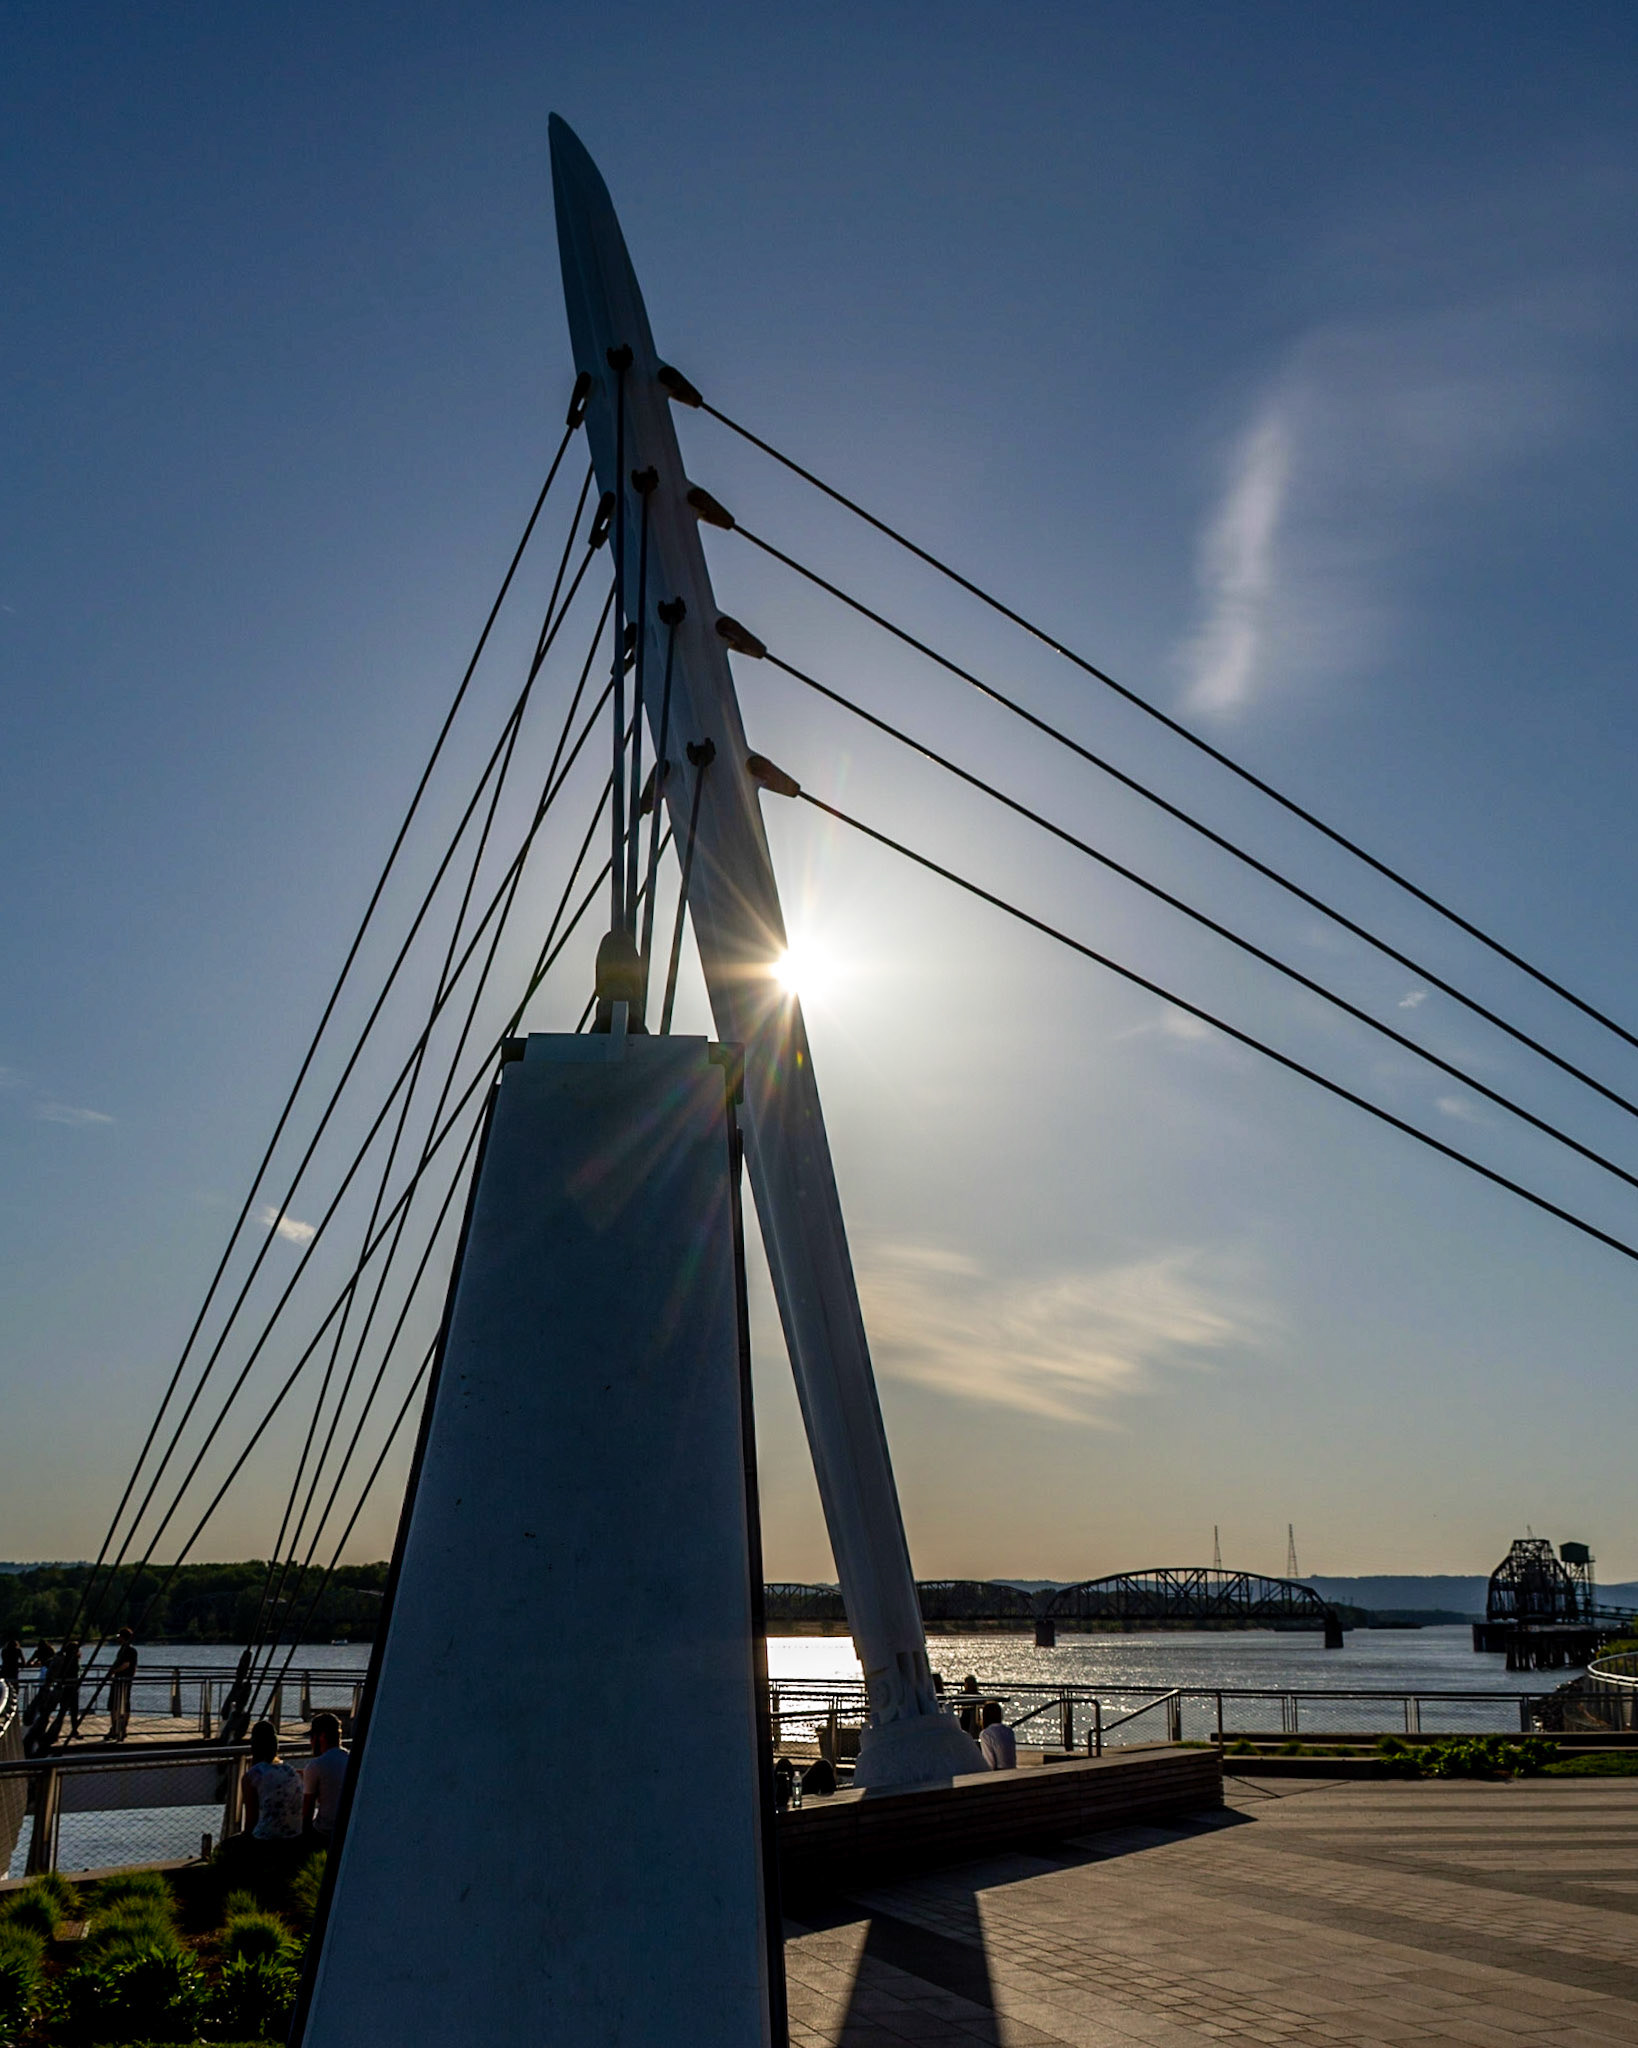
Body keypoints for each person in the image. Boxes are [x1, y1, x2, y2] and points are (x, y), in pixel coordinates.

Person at [242, 1719, 305, 1843]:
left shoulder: (253, 1776)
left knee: (226, 1847)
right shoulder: (290, 1771)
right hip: (295, 1837)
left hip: (266, 1839)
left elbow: (251, 1821)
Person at [303, 1711, 350, 1842]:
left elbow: (307, 1812)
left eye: (312, 1736)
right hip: (347, 1830)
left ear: (321, 1736)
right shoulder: (352, 1760)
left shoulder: (316, 1766)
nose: (311, 1741)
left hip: (325, 1832)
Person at [108, 1629, 138, 1742]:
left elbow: (126, 1664)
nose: (117, 1638)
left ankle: (118, 1728)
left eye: (119, 1636)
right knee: (120, 1705)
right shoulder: (126, 1650)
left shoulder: (128, 1650)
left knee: (117, 1705)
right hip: (123, 1680)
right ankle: (118, 1728)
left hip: (122, 1681)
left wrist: (113, 1671)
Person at [979, 1700, 1016, 1771]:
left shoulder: (986, 1734)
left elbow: (990, 1763)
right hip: (1011, 1769)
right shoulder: (1009, 1730)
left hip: (999, 1772)